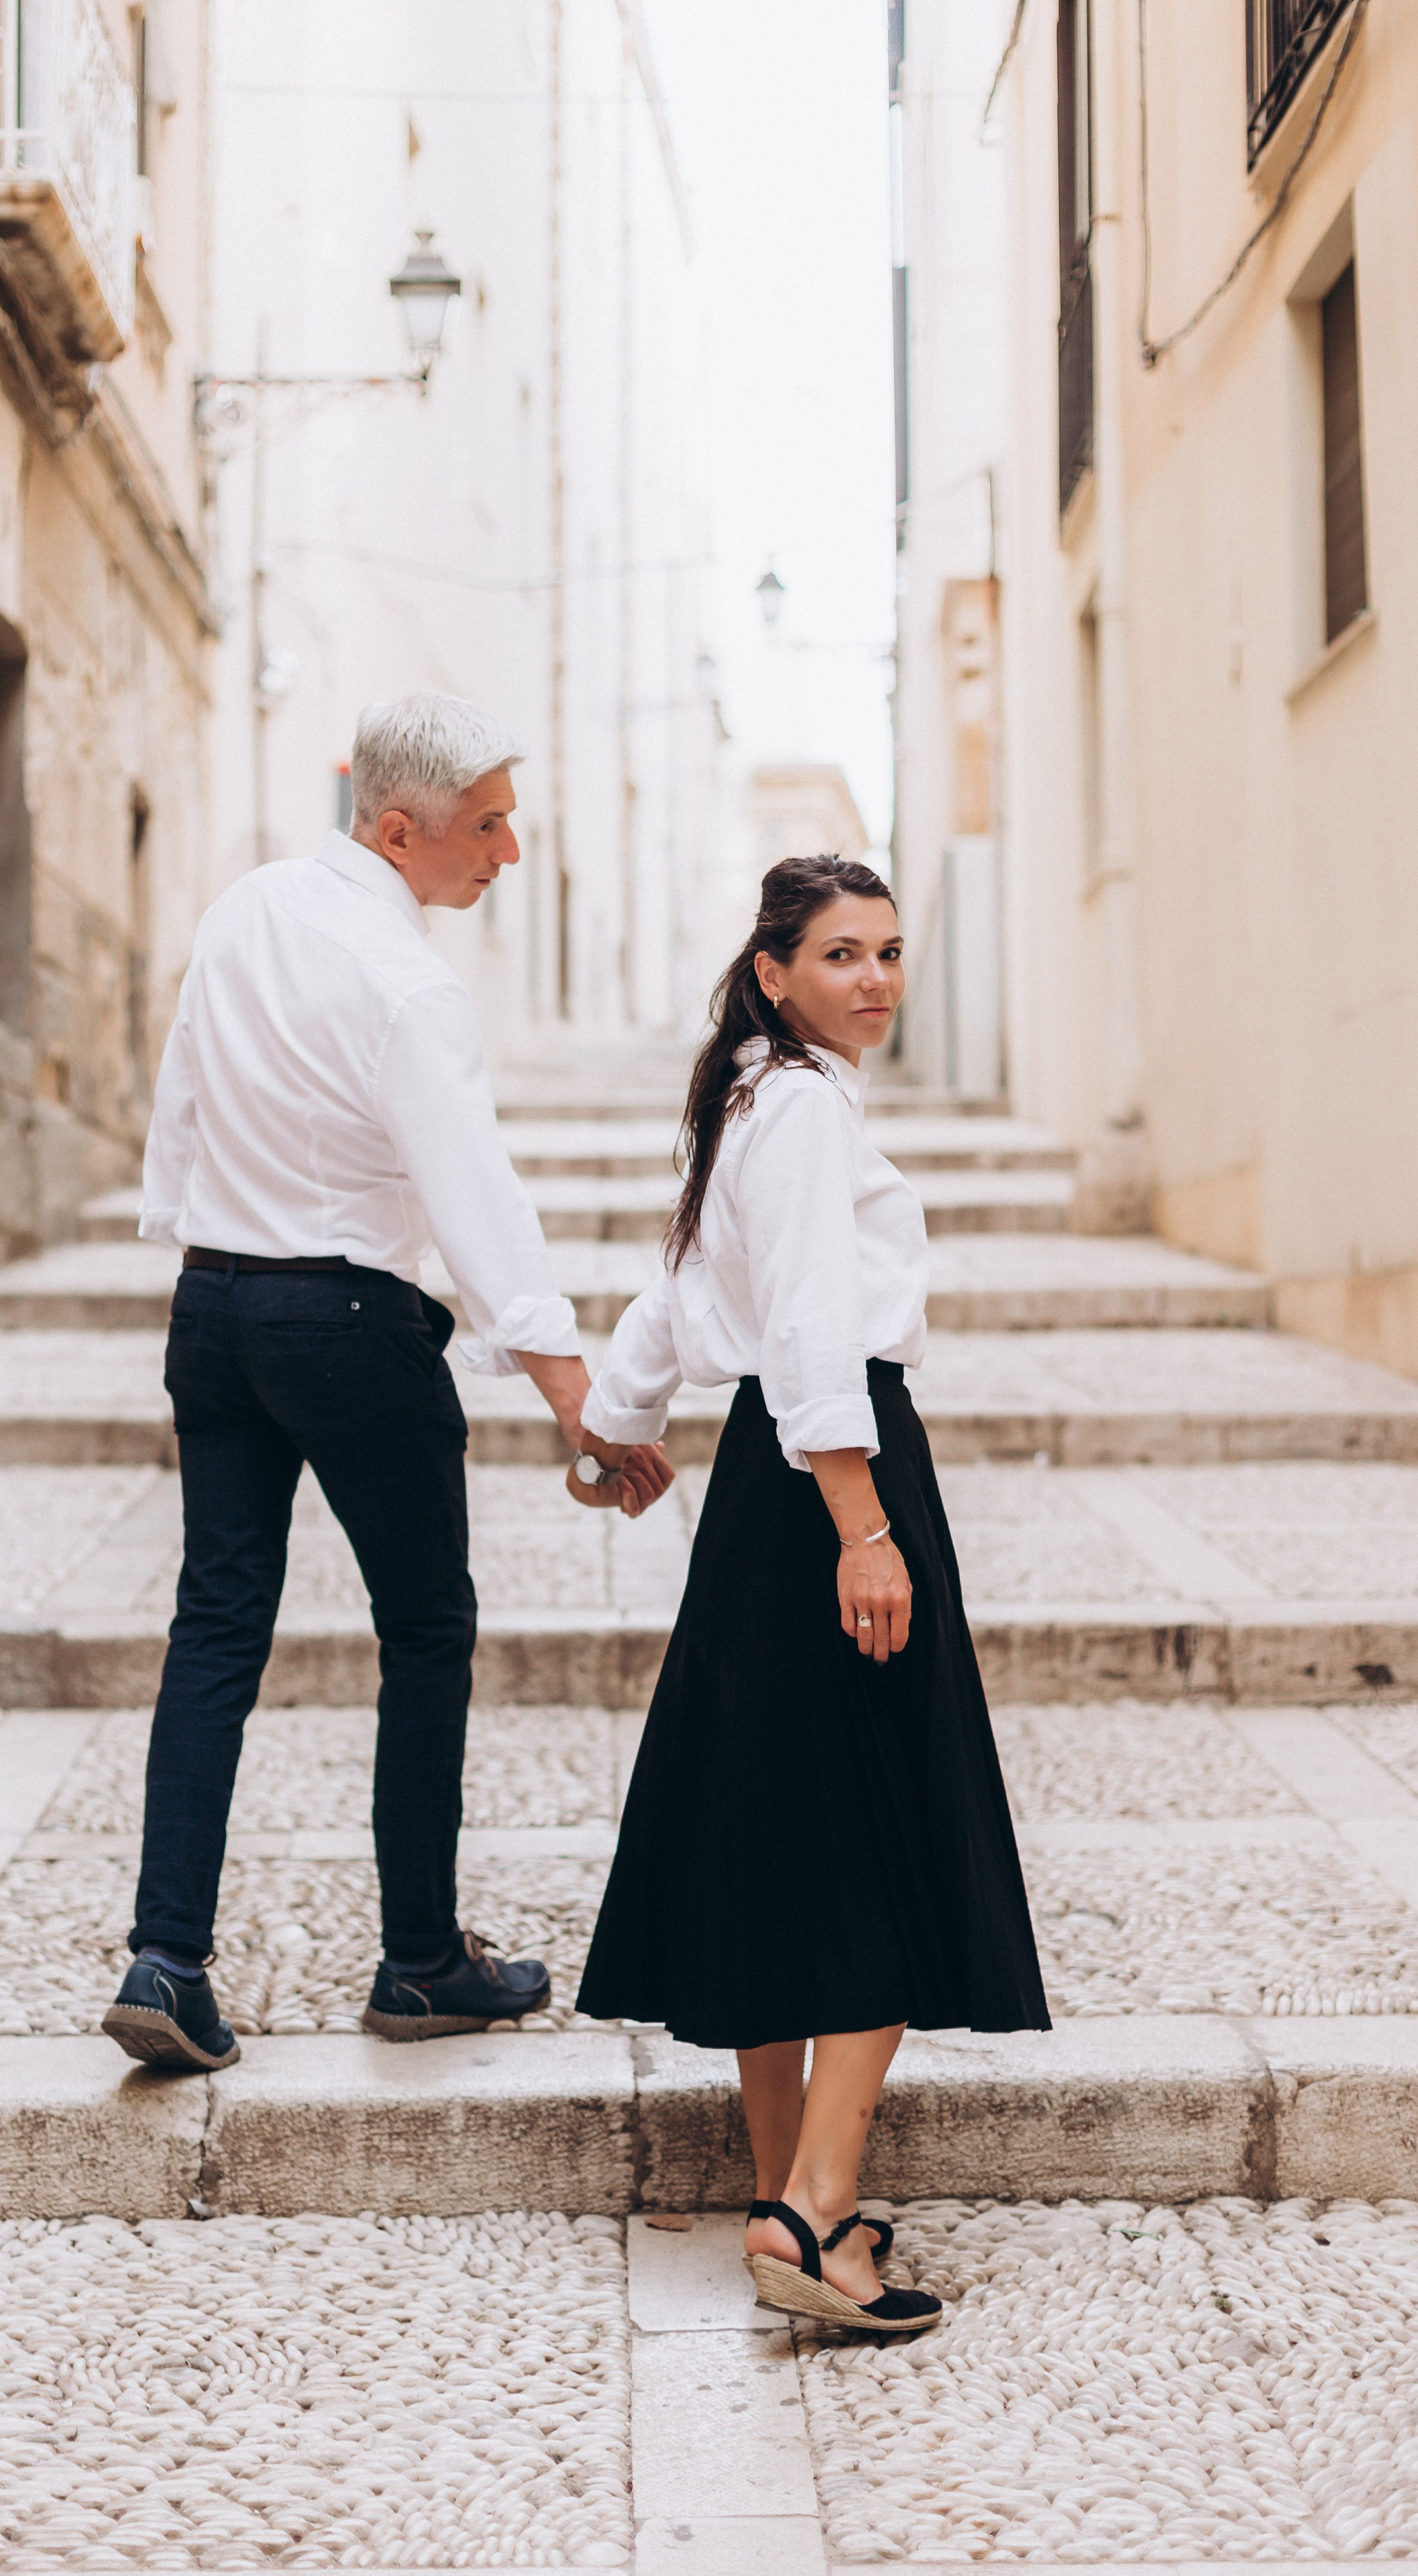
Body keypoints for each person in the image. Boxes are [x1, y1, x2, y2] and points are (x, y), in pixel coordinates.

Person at [102, 693, 673, 2071]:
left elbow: (181, 1101)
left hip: (217, 1304)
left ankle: (164, 1960)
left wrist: (196, 1235)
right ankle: (419, 1963)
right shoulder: (409, 984)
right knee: (424, 1628)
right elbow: (470, 1198)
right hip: (350, 1318)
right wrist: (573, 1392)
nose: (509, 852)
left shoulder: (245, 909)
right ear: (399, 826)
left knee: (216, 1623)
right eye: (487, 827)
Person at [571, 853, 1049, 2334]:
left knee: (778, 1829)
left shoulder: (754, 1099)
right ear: (772, 970)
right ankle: (810, 2208)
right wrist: (864, 1522)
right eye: (841, 954)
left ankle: (784, 2192)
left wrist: (618, 1420)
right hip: (828, 1476)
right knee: (889, 1827)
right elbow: (807, 1323)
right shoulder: (797, 1109)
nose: (876, 980)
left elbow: (678, 1290)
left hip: (765, 1492)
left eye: (890, 952)